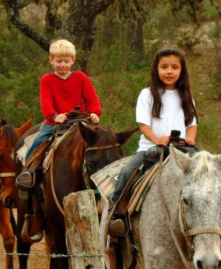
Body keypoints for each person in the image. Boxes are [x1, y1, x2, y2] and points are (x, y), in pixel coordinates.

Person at [106, 45, 198, 234]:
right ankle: (115, 214)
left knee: (212, 168)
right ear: (157, 69)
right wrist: (157, 140)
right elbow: (144, 126)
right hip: (152, 148)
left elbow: (192, 125)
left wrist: (190, 139)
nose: (169, 71)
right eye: (164, 67)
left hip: (182, 148)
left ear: (182, 70)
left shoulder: (187, 95)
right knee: (127, 172)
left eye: (174, 67)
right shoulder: (147, 94)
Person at [16, 39, 103, 211]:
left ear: (72, 60)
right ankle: (29, 176)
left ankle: (104, 183)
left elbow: (92, 98)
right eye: (58, 61)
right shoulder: (47, 79)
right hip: (56, 124)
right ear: (51, 60)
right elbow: (46, 102)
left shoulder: (80, 77)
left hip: (81, 122)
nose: (62, 64)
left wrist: (94, 113)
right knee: (36, 146)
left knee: (103, 143)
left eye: (66, 61)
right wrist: (55, 116)